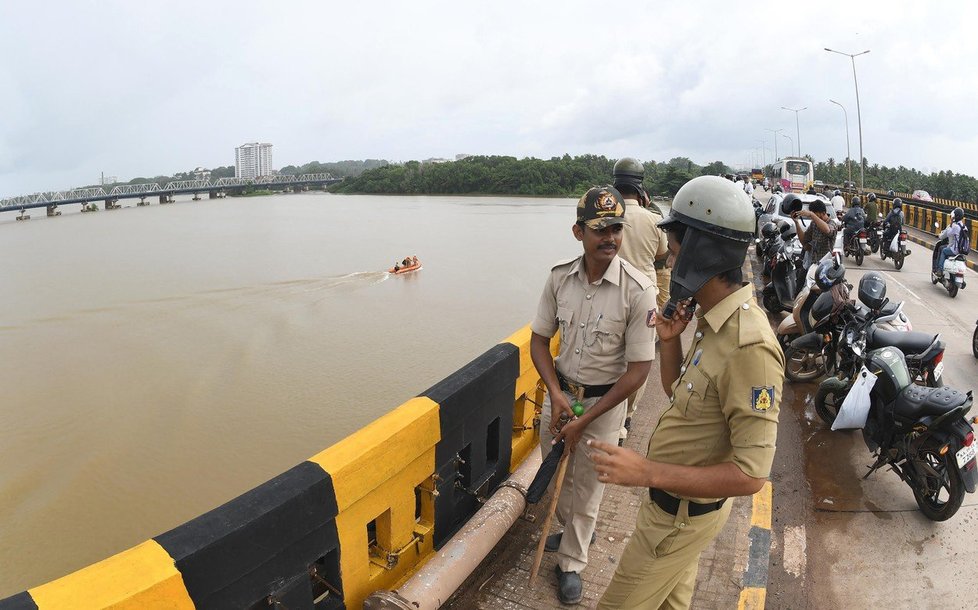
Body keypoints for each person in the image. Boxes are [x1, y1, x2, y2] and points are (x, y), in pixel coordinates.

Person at [588, 176, 784, 609]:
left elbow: (751, 475)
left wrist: (646, 471)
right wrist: (670, 338)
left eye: (675, 255)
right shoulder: (714, 319)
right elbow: (677, 392)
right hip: (673, 511)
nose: (671, 266)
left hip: (678, 521)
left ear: (701, 254)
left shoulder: (748, 346)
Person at [530, 186, 656, 605]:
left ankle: (571, 563)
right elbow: (538, 341)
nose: (611, 237)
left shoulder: (638, 291)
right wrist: (555, 394)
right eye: (600, 229)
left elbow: (639, 371)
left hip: (603, 406)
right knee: (560, 472)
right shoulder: (558, 279)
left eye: (616, 228)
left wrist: (586, 418)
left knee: (589, 487)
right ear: (578, 231)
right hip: (562, 399)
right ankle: (571, 530)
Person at [613, 158, 665, 445]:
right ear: (640, 188)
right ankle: (627, 416)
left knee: (612, 359)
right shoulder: (654, 219)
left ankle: (610, 416)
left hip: (611, 293)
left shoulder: (608, 216)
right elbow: (662, 255)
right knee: (640, 361)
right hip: (645, 294)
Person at [793, 199, 836, 265]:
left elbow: (827, 230)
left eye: (815, 215)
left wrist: (811, 214)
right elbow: (804, 241)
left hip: (825, 266)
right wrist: (796, 223)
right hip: (812, 264)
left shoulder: (832, 223)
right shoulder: (813, 224)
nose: (813, 219)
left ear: (823, 213)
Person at [935, 207, 966, 276]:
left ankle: (940, 269)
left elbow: (948, 234)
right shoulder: (964, 226)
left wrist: (951, 222)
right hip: (962, 250)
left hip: (955, 249)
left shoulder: (955, 226)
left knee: (943, 251)